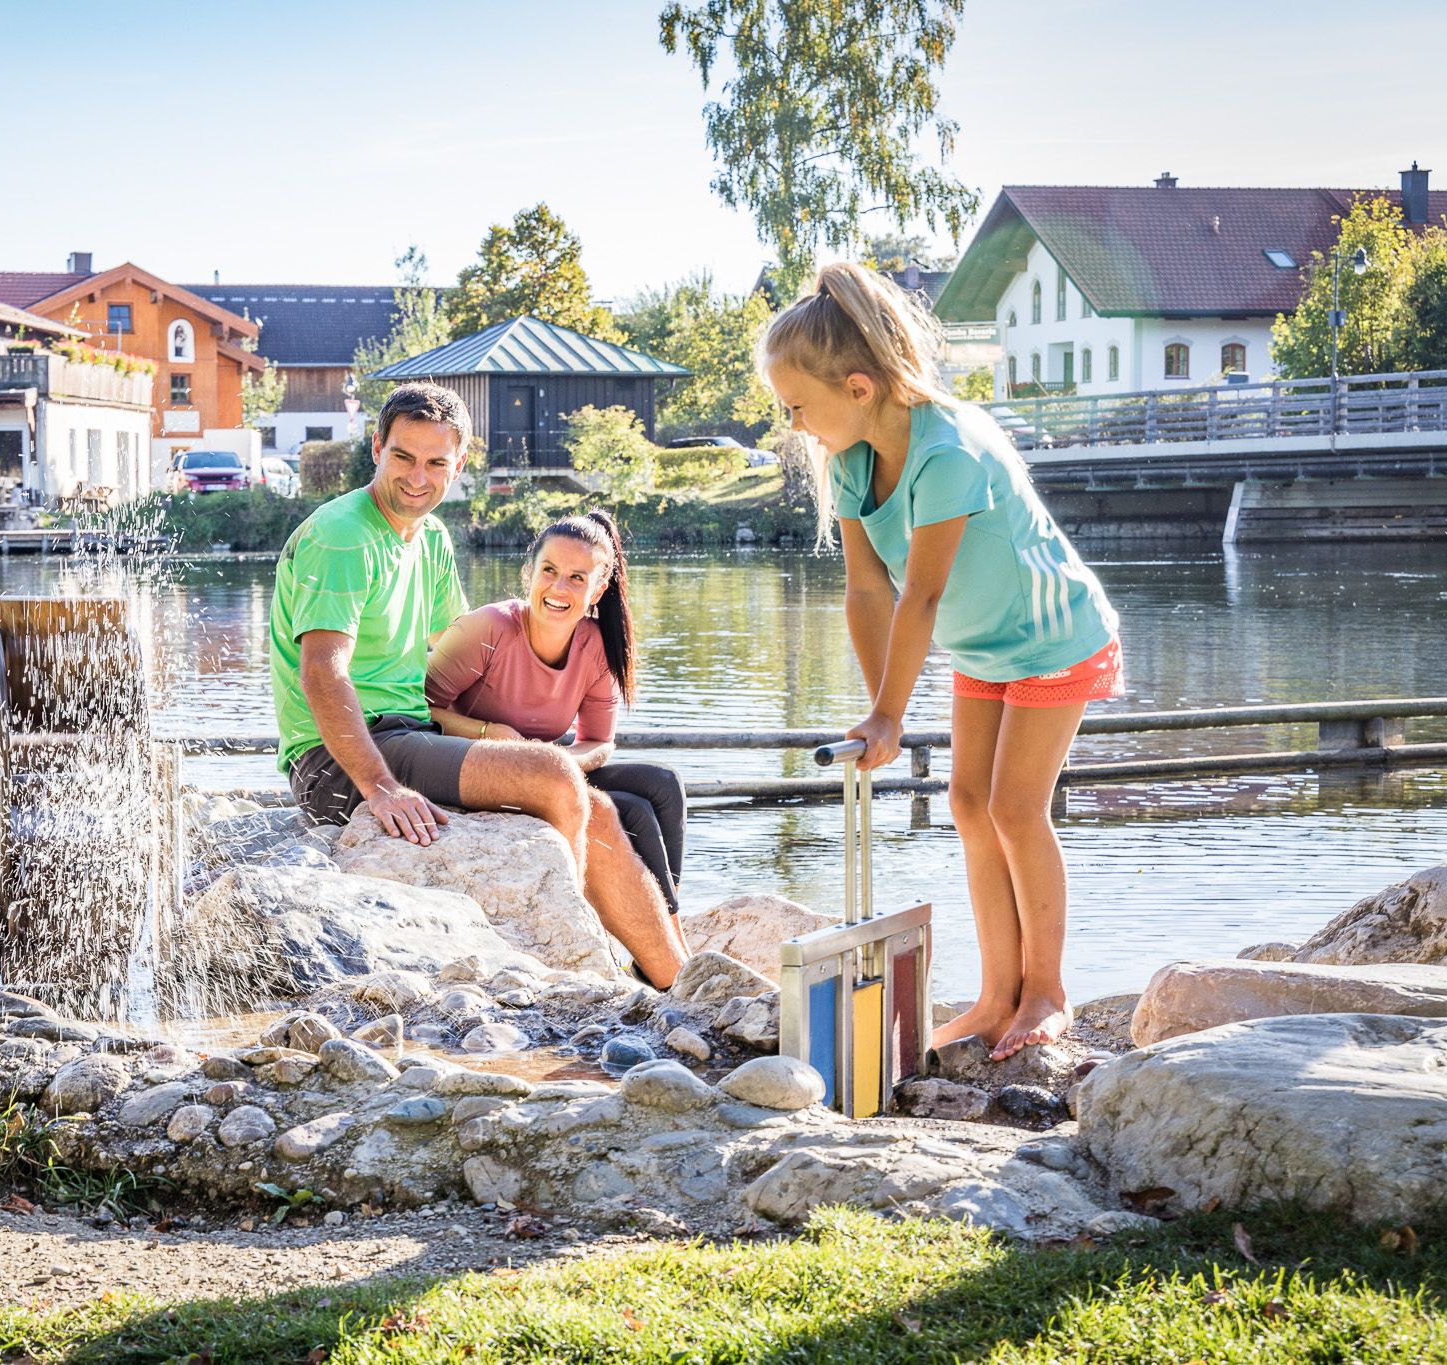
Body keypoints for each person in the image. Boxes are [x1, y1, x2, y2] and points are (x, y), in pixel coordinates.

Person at [762, 261, 1122, 1060]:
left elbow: (919, 596)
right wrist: (876, 710)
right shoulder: (852, 459)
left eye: (797, 407)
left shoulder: (946, 451)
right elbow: (867, 593)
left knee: (1016, 806)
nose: (794, 425)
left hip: (1050, 634)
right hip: (985, 645)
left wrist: (895, 714)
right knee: (968, 802)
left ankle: (1047, 992)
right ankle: (997, 996)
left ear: (857, 387)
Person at [269, 383, 688, 987]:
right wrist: (381, 789)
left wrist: (541, 650)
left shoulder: (431, 539)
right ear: (376, 448)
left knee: (591, 803)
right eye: (403, 456)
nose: (419, 476)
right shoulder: (344, 536)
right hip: (337, 762)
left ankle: (673, 983)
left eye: (437, 462)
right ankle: (576, 952)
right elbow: (322, 673)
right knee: (553, 773)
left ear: (459, 465)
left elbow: (450, 645)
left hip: (412, 735)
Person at [424, 511, 687, 915]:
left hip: (542, 772)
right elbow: (417, 707)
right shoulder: (490, 628)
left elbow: (599, 740)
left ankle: (666, 922)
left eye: (577, 578)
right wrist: (488, 732)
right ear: (529, 573)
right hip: (470, 769)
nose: (558, 587)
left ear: (598, 591)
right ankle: (662, 948)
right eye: (549, 570)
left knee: (662, 786)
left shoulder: (596, 646)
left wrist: (560, 763)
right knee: (631, 810)